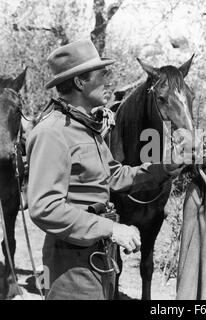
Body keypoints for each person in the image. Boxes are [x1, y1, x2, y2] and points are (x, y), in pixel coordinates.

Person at [26, 39, 185, 300]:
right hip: (71, 265)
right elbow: (45, 207)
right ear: (80, 82)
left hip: (99, 258)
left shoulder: (86, 128)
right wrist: (112, 229)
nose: (108, 80)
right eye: (102, 74)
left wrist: (164, 169)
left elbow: (113, 175)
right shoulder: (52, 133)